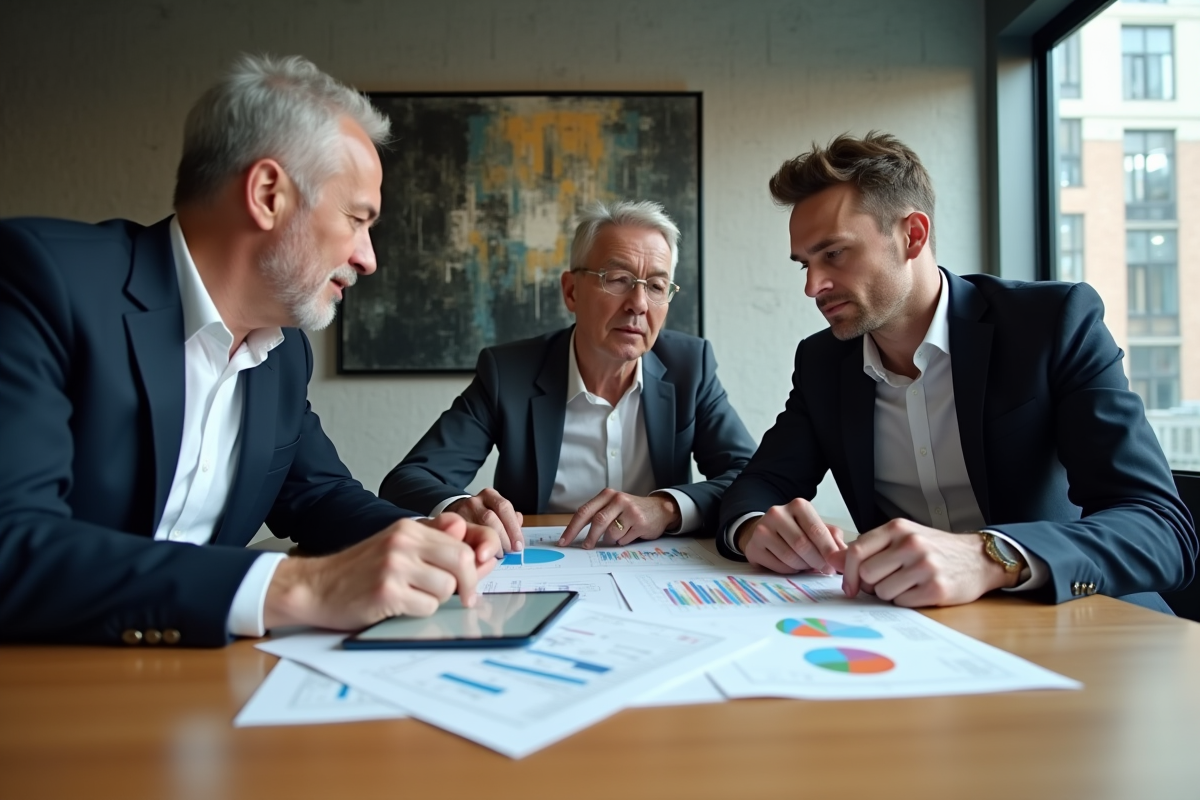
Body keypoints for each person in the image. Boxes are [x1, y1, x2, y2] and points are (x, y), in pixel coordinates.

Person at [0, 55, 501, 647]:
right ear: (268, 194)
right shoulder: (38, 280)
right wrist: (299, 589)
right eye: (357, 220)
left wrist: (423, 535)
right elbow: (15, 543)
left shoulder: (285, 354)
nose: (369, 258)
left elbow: (317, 496)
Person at [718, 131, 1196, 612]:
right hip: (916, 633)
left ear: (913, 235)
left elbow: (1160, 528)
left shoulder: (1050, 323)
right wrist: (757, 527)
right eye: (804, 264)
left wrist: (991, 556)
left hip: (1083, 622)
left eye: (835, 253)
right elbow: (758, 486)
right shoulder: (824, 363)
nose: (813, 287)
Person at [380, 200, 756, 551]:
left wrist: (667, 508)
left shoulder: (690, 367)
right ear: (572, 291)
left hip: (653, 568)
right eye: (618, 278)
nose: (638, 305)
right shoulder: (509, 373)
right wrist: (461, 506)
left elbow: (750, 477)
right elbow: (409, 480)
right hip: (542, 562)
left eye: (656, 286)